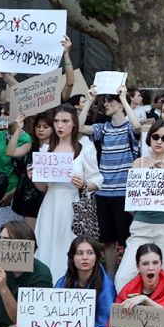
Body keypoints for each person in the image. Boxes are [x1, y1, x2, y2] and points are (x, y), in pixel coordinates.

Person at [33, 104, 101, 282]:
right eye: (56, 121)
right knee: (46, 244)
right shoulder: (46, 149)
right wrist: (34, 177)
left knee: (70, 245)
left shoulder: (84, 148)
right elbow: (43, 187)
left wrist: (84, 184)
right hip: (50, 204)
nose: (60, 125)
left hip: (73, 205)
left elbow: (97, 180)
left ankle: (70, 284)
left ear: (74, 124)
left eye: (65, 121)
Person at [77, 86, 141, 276]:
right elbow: (79, 128)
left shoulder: (128, 127)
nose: (105, 104)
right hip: (103, 192)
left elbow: (138, 127)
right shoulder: (103, 128)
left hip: (124, 193)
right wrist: (89, 101)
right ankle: (111, 281)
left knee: (128, 240)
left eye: (110, 101)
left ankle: (129, 279)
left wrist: (124, 98)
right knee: (108, 241)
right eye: (104, 101)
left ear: (120, 104)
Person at [114, 121, 164, 290]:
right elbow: (133, 198)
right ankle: (133, 305)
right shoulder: (138, 163)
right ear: (149, 138)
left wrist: (163, 175)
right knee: (123, 277)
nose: (159, 141)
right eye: (155, 136)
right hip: (142, 225)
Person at [53, 235, 117, 327]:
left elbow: (107, 324)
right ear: (72, 257)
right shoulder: (62, 283)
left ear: (96, 257)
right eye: (79, 253)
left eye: (90, 253)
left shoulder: (106, 285)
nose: (85, 257)